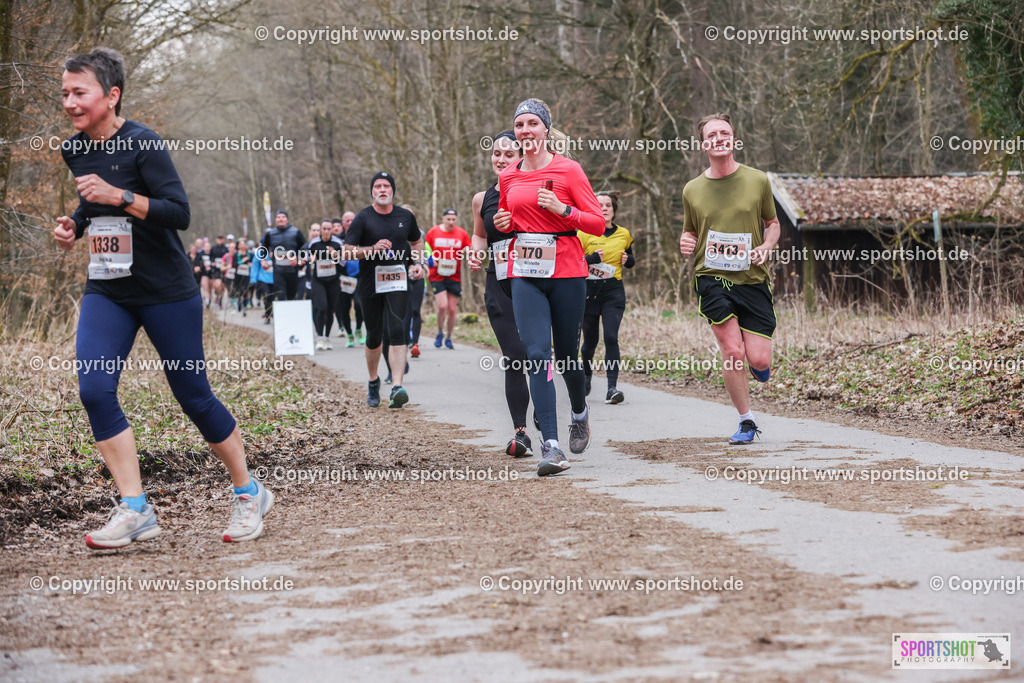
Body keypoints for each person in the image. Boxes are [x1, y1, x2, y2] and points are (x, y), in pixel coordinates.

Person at [53, 47, 272, 548]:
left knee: (193, 395)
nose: (68, 102)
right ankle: (135, 508)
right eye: (64, 93)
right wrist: (75, 224)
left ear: (111, 95)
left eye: (78, 92)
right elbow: (92, 203)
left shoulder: (143, 143)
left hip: (167, 292)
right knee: (94, 390)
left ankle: (248, 491)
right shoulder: (74, 148)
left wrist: (121, 198)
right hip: (108, 289)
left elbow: (178, 213)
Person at [493, 98, 604, 476]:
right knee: (537, 354)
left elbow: (596, 224)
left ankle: (579, 411)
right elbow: (509, 218)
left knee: (567, 355)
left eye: (532, 124)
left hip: (568, 271)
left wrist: (563, 210)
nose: (525, 131)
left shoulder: (569, 170)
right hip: (525, 270)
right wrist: (504, 223)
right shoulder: (509, 175)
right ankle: (552, 446)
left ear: (545, 129)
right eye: (519, 124)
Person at [679, 113, 779, 444]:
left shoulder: (758, 180)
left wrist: (766, 245)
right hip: (712, 276)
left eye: (726, 132)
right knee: (732, 351)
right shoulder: (692, 189)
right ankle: (746, 421)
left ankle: (758, 365)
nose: (720, 137)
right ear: (704, 144)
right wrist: (686, 241)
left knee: (759, 359)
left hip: (752, 277)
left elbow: (773, 223)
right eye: (713, 134)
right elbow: (690, 232)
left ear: (734, 140)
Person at [468, 130, 533, 457]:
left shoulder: (535, 189)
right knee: (514, 356)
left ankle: (545, 411)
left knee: (538, 354)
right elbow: (479, 236)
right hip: (500, 284)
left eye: (509, 154)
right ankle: (520, 432)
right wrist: (476, 252)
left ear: (521, 156)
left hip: (536, 283)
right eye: (497, 154)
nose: (501, 159)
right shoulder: (482, 198)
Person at [342, 172, 424, 409]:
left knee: (398, 329)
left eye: (386, 186)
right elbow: (347, 251)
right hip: (370, 283)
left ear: (393, 190)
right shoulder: (363, 218)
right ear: (372, 191)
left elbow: (416, 241)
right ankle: (373, 381)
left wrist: (418, 263)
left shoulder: (405, 216)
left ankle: (397, 386)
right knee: (374, 335)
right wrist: (372, 248)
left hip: (397, 281)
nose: (382, 189)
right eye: (377, 186)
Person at [579, 190, 635, 404]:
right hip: (588, 293)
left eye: (608, 205)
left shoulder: (624, 234)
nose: (604, 208)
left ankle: (612, 388)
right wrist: (591, 258)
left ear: (614, 209)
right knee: (590, 342)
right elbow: (573, 260)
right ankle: (586, 376)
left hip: (613, 291)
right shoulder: (582, 233)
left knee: (611, 337)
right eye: (599, 204)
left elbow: (631, 259)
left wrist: (627, 260)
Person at [425, 208, 470, 349]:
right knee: (442, 305)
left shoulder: (462, 233)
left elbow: (468, 247)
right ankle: (439, 332)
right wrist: (430, 260)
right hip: (436, 275)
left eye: (453, 219)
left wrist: (469, 254)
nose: (451, 222)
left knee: (452, 309)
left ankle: (449, 337)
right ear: (443, 219)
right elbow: (426, 250)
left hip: (454, 275)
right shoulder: (433, 232)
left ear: (456, 220)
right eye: (448, 219)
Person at [259, 210, 305, 318]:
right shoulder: (271, 234)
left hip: (292, 270)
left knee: (291, 296)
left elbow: (304, 246)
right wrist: (263, 260)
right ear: (275, 220)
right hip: (278, 271)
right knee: (280, 295)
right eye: (278, 217)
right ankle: (283, 320)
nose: (281, 219)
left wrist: (299, 258)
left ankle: (292, 318)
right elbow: (264, 248)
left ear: (287, 219)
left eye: (283, 217)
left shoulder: (295, 232)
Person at [307, 219, 344, 350]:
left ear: (332, 230)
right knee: (321, 307)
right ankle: (319, 336)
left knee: (330, 310)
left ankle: (327, 337)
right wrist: (310, 259)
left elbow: (344, 263)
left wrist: (336, 256)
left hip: (333, 281)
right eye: (324, 229)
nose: (327, 231)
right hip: (318, 281)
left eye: (329, 229)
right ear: (321, 230)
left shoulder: (338, 243)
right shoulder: (314, 243)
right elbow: (306, 257)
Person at [333, 213, 364, 346]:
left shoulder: (363, 235)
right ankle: (350, 335)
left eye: (353, 219)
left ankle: (358, 329)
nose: (350, 222)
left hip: (360, 277)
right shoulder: (337, 240)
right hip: (343, 278)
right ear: (343, 223)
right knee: (343, 308)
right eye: (347, 220)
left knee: (359, 305)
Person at [233, 239, 254, 314]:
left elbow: (253, 263)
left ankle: (245, 305)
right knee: (239, 289)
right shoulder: (236, 254)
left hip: (246, 274)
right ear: (238, 246)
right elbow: (233, 265)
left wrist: (250, 265)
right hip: (238, 275)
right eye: (240, 244)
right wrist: (242, 261)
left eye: (243, 244)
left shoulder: (250, 254)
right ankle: (239, 303)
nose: (242, 246)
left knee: (245, 289)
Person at [208, 234, 229, 308]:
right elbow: (210, 258)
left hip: (224, 270)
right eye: (219, 239)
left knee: (222, 287)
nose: (220, 240)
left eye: (221, 239)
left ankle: (220, 299)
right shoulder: (213, 248)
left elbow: (228, 258)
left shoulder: (226, 249)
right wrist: (212, 262)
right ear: (217, 239)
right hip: (216, 270)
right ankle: (217, 298)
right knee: (217, 285)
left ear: (223, 240)